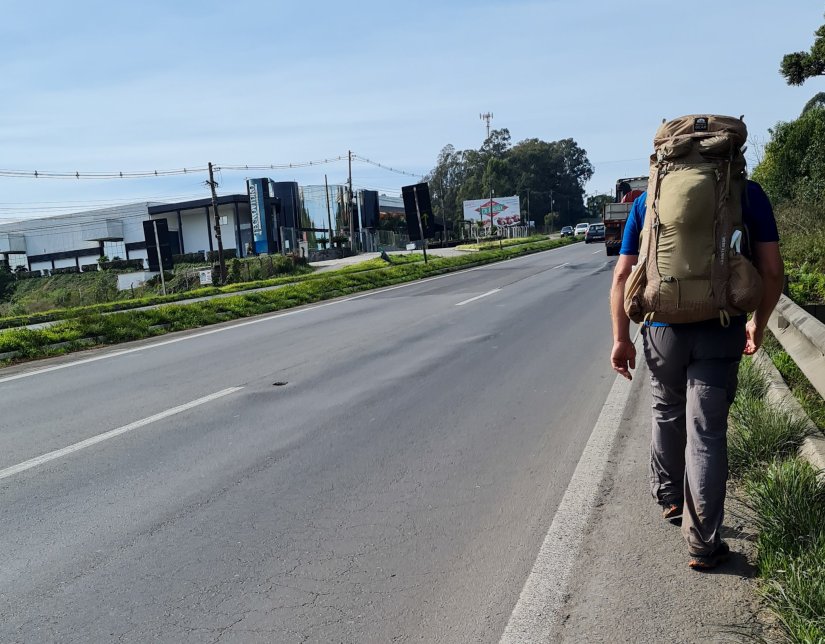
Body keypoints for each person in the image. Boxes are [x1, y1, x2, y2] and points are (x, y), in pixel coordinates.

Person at [609, 179, 784, 570]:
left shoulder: (648, 199)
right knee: (706, 431)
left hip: (662, 330)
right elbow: (772, 270)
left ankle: (671, 498)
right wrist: (758, 324)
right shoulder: (747, 193)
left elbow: (622, 275)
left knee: (666, 409)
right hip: (721, 327)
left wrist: (621, 339)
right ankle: (704, 543)